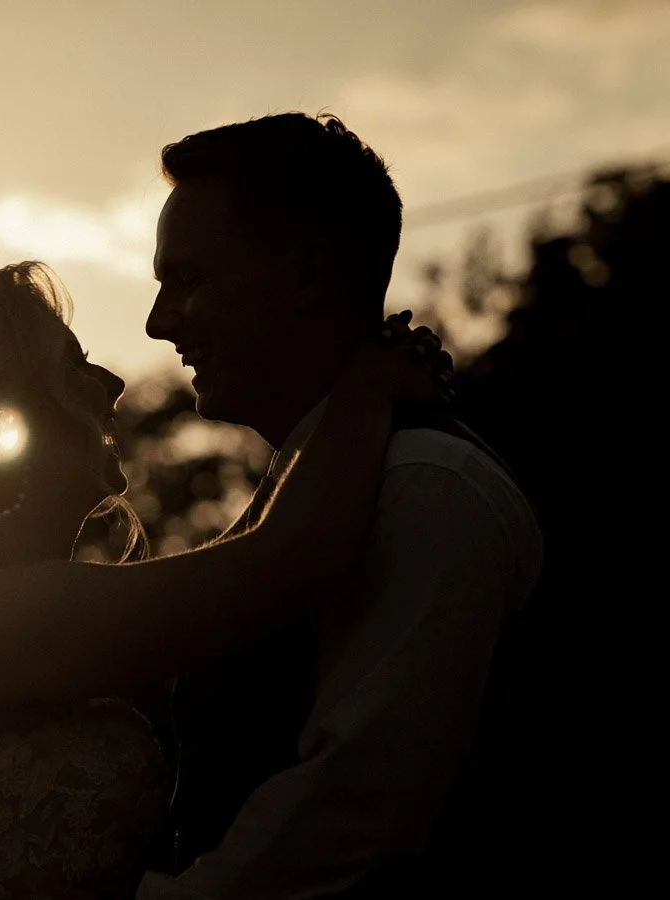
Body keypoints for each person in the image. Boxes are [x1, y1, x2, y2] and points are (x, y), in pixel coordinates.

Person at [0, 260, 450, 898]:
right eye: (74, 365)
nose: (113, 383)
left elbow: (242, 560)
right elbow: (292, 559)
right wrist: (366, 387)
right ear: (4, 414)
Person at [136, 113, 544, 898]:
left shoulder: (426, 486)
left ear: (307, 276)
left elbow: (355, 814)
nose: (157, 322)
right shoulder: (302, 494)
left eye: (188, 280)